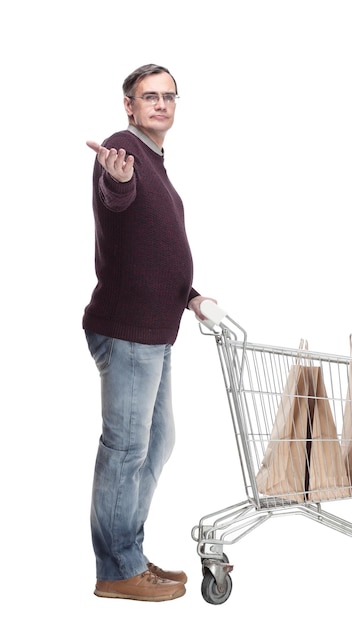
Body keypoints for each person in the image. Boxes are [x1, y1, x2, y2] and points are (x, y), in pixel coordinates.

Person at [83, 63, 215, 602]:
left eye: (168, 96)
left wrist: (190, 296)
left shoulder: (157, 162)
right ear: (129, 106)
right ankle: (116, 568)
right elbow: (118, 202)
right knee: (126, 448)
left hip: (154, 333)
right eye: (148, 97)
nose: (160, 104)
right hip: (129, 331)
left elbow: (152, 250)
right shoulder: (123, 152)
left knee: (157, 440)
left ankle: (129, 554)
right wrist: (117, 180)